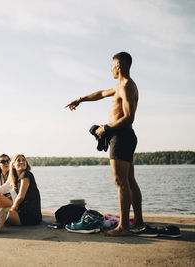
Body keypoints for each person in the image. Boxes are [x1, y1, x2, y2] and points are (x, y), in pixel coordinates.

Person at [65, 52, 144, 236]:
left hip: (121, 136)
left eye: (111, 65)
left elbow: (129, 117)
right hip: (124, 136)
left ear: (118, 65)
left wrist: (106, 128)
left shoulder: (126, 86)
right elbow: (101, 93)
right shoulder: (121, 86)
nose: (110, 69)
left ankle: (123, 227)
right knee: (130, 181)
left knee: (120, 181)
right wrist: (81, 99)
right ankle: (138, 221)